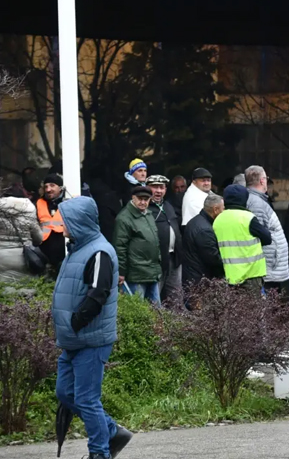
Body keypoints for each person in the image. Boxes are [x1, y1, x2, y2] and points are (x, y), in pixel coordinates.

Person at [52, 196, 133, 459]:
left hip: (91, 339)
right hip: (74, 339)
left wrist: (76, 322)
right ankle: (112, 432)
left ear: (78, 221)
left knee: (86, 400)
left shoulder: (99, 252)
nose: (61, 224)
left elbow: (98, 294)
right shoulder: (78, 248)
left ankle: (99, 453)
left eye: (65, 220)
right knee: (65, 393)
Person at [213, 184, 271, 293]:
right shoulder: (248, 217)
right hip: (251, 275)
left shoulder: (218, 220)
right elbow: (267, 238)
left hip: (228, 276)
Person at [113, 185, 161, 305]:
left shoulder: (148, 214)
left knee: (157, 312)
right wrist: (121, 272)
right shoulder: (124, 218)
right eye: (140, 199)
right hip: (135, 274)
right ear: (133, 198)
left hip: (152, 272)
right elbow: (120, 247)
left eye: (146, 199)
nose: (143, 202)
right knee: (137, 310)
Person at [245, 166, 289, 292]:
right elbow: (259, 234)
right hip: (268, 267)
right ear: (262, 180)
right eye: (266, 178)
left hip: (270, 265)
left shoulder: (257, 200)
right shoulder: (256, 203)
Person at [146, 175, 182, 302]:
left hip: (174, 257)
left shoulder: (168, 206)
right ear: (147, 188)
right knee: (155, 297)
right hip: (157, 260)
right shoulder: (145, 209)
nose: (158, 191)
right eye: (155, 187)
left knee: (176, 295)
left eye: (161, 187)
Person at [0, 183, 43, 281]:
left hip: (1, 257)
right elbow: (39, 238)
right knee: (26, 287)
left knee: (4, 287)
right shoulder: (29, 210)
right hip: (24, 257)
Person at [182, 193, 225, 289]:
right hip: (200, 280)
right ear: (215, 209)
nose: (224, 212)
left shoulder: (196, 221)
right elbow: (213, 259)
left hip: (193, 276)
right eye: (223, 209)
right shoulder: (205, 230)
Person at [37, 173, 67, 272]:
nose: (48, 189)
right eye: (46, 187)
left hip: (64, 254)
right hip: (44, 254)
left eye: (52, 185)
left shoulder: (69, 202)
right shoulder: (39, 203)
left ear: (60, 188)